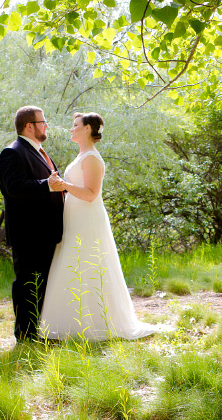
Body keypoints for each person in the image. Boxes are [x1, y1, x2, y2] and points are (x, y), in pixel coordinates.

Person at [40, 112, 173, 340]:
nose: (71, 129)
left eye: (75, 125)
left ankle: (97, 323)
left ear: (86, 129)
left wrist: (63, 185)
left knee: (90, 264)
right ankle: (69, 323)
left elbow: (91, 194)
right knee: (73, 262)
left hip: (88, 219)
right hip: (76, 218)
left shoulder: (91, 157)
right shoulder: (83, 155)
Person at [0, 106, 65, 342]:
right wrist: (46, 184)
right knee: (27, 284)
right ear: (29, 126)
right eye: (43, 121)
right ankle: (25, 337)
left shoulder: (39, 152)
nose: (46, 125)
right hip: (29, 233)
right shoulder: (12, 153)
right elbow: (13, 188)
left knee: (43, 284)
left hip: (46, 232)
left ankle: (40, 332)